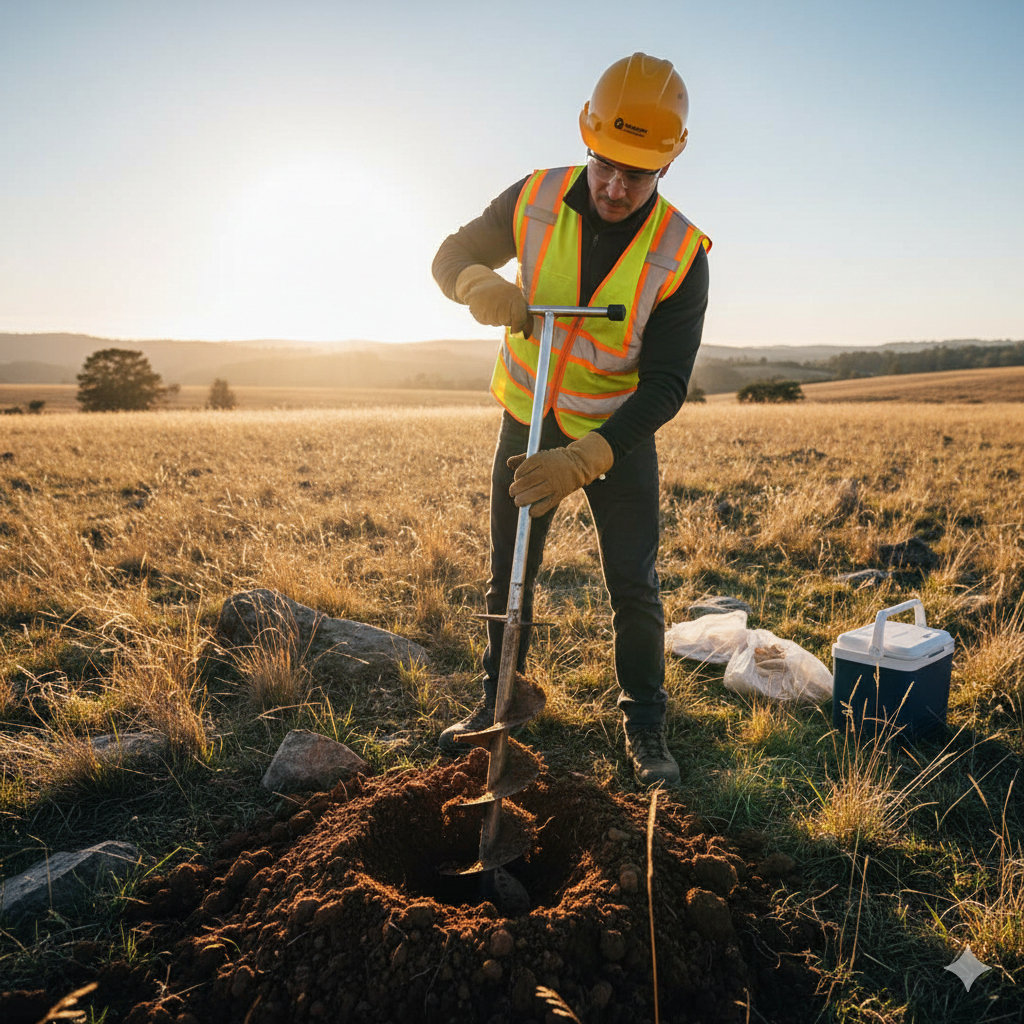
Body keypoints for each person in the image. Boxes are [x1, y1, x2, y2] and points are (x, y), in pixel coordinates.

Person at [431, 52, 711, 786]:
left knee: (633, 583)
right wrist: (474, 281)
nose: (616, 187)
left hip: (613, 438)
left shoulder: (682, 253)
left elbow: (668, 386)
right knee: (509, 573)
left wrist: (587, 456)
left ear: (667, 166)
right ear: (588, 141)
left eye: (637, 174)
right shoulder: (536, 198)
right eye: (605, 165)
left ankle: (645, 725)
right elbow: (451, 252)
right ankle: (497, 701)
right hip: (527, 420)